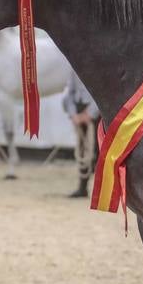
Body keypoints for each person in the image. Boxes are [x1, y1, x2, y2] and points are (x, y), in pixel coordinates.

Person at [62, 70, 100, 198]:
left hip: (96, 111)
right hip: (79, 109)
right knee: (83, 150)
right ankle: (83, 187)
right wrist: (73, 114)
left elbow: (103, 92)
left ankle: (101, 190)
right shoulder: (74, 69)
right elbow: (68, 93)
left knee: (99, 150)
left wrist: (90, 113)